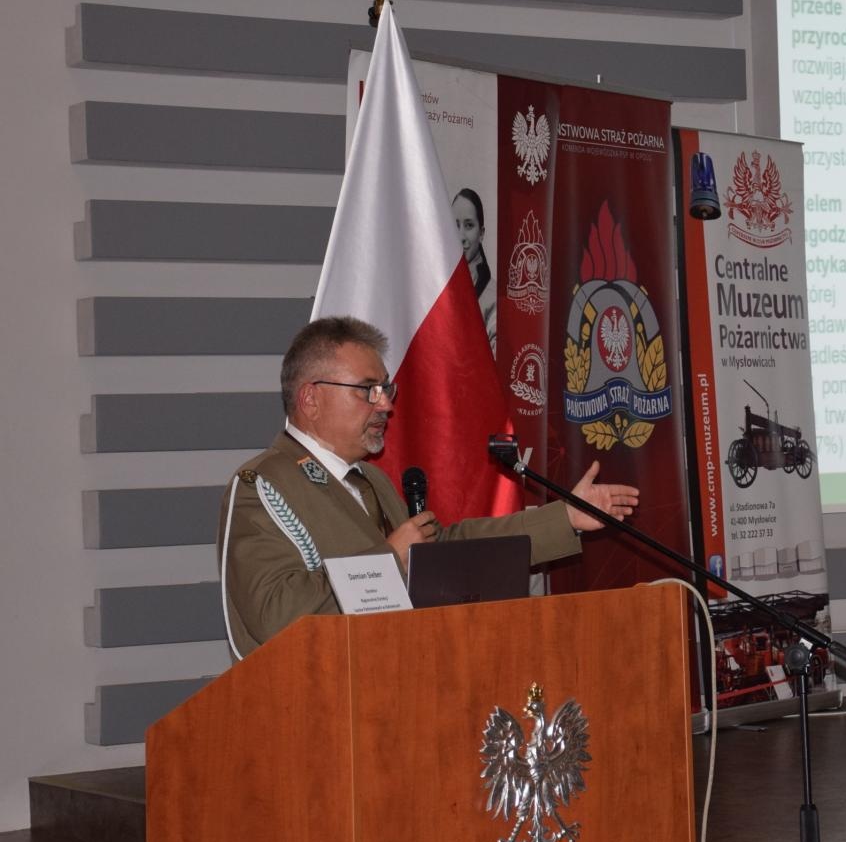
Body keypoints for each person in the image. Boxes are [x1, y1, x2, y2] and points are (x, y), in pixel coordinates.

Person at [217, 316, 638, 659]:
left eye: (386, 389)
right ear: (311, 398)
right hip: (316, 714)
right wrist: (389, 559)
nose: (386, 404)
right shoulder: (264, 485)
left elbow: (442, 552)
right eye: (369, 390)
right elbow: (272, 614)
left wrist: (565, 517)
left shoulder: (369, 481)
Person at [453, 187, 496, 351]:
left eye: (469, 225)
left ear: (482, 233)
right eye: (455, 225)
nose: (461, 236)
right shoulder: (436, 291)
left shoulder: (492, 297)